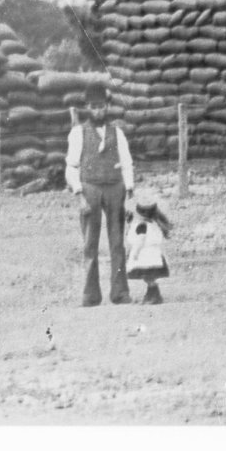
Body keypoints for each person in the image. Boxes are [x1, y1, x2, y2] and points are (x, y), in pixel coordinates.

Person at [65, 85, 135, 306]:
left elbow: (127, 164)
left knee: (117, 242)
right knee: (90, 244)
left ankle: (120, 292)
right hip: (90, 189)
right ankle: (90, 294)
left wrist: (130, 192)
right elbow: (71, 167)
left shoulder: (118, 133)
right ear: (87, 108)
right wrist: (79, 194)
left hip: (115, 188)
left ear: (107, 107)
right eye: (93, 107)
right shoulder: (78, 133)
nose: (98, 111)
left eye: (101, 107)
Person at [125, 191, 172, 305]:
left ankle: (154, 295)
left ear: (140, 213)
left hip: (145, 256)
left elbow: (140, 241)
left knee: (148, 277)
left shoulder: (142, 226)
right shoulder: (154, 223)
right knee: (150, 277)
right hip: (154, 255)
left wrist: (135, 253)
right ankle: (151, 294)